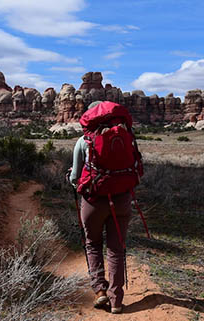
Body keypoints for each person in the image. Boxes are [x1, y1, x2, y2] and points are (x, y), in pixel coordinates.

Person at [69, 101, 132, 314]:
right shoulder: (126, 136)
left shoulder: (83, 141)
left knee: (93, 243)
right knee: (116, 248)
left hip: (93, 201)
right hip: (122, 199)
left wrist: (72, 178)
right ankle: (117, 301)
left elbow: (75, 177)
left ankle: (100, 291)